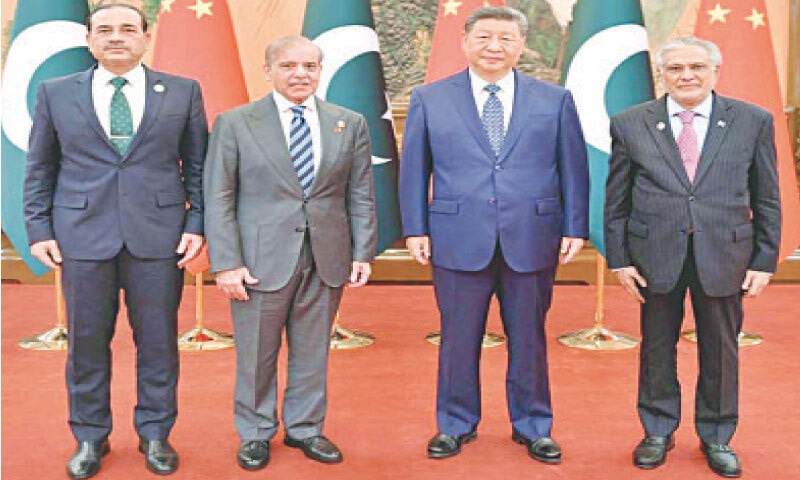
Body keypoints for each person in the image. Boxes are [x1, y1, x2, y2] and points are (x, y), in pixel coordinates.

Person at [23, 3, 207, 479]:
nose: (116, 37)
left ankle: (155, 433)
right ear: (90, 40)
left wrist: (197, 223)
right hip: (81, 238)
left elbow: (200, 167)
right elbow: (41, 167)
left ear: (145, 37)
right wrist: (39, 228)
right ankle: (90, 435)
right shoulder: (56, 93)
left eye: (128, 29)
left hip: (160, 239)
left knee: (158, 343)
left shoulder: (183, 92)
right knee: (85, 344)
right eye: (104, 30)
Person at [399, 6, 589, 463]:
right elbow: (413, 171)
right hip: (456, 236)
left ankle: (533, 425)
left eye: (506, 38)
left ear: (521, 45)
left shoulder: (554, 99)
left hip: (533, 236)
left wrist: (575, 226)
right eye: (484, 37)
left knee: (529, 338)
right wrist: (414, 228)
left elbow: (573, 169)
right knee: (457, 337)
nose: (494, 47)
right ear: (465, 41)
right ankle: (455, 424)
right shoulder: (430, 98)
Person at [605, 37, 781, 478]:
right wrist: (619, 258)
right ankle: (657, 431)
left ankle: (717, 435)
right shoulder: (630, 123)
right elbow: (616, 200)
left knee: (721, 350)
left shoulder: (752, 121)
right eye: (676, 68)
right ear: (661, 74)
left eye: (697, 67)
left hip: (725, 253)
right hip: (653, 255)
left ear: (715, 71)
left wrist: (763, 260)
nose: (687, 76)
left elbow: (768, 197)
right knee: (656, 347)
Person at [204, 35, 376, 471]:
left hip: (326, 254)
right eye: (289, 66)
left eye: (310, 66)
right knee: (256, 352)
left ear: (320, 71)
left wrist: (363, 251)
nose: (300, 74)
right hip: (258, 262)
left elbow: (360, 193)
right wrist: (226, 262)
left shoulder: (348, 122)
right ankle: (256, 431)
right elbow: (219, 197)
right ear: (268, 71)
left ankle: (305, 428)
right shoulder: (237, 123)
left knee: (313, 349)